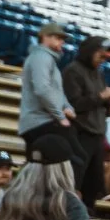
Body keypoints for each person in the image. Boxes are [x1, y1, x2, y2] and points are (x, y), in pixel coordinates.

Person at [61, 37, 110, 206]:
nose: (103, 60)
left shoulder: (98, 73)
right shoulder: (73, 71)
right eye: (101, 56)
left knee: (93, 181)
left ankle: (89, 212)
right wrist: (101, 96)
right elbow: (74, 104)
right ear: (90, 52)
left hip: (97, 131)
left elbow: (99, 101)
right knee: (76, 178)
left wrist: (109, 100)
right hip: (80, 132)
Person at [16, 21, 75, 159]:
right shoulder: (41, 57)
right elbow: (42, 90)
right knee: (73, 159)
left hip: (41, 121)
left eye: (63, 39)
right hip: (41, 121)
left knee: (39, 164)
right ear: (45, 37)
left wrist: (67, 107)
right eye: (58, 37)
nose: (62, 42)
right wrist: (60, 116)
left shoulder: (46, 58)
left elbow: (57, 91)